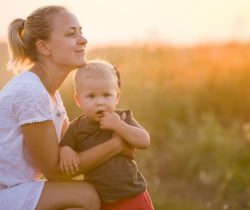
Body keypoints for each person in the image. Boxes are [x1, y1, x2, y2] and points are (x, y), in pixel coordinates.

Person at [0, 5, 134, 210]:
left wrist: (125, 131)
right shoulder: (30, 92)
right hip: (6, 192)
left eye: (81, 32)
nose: (83, 39)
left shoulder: (49, 93)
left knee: (96, 190)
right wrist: (116, 145)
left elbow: (76, 145)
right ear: (44, 47)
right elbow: (54, 171)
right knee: (86, 195)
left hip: (17, 187)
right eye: (71, 34)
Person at [59, 60, 154, 210]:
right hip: (101, 201)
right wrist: (66, 151)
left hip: (132, 196)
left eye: (106, 95)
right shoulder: (76, 128)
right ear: (78, 100)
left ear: (117, 98)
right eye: (91, 96)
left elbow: (144, 140)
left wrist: (119, 126)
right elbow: (64, 145)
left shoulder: (122, 118)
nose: (100, 102)